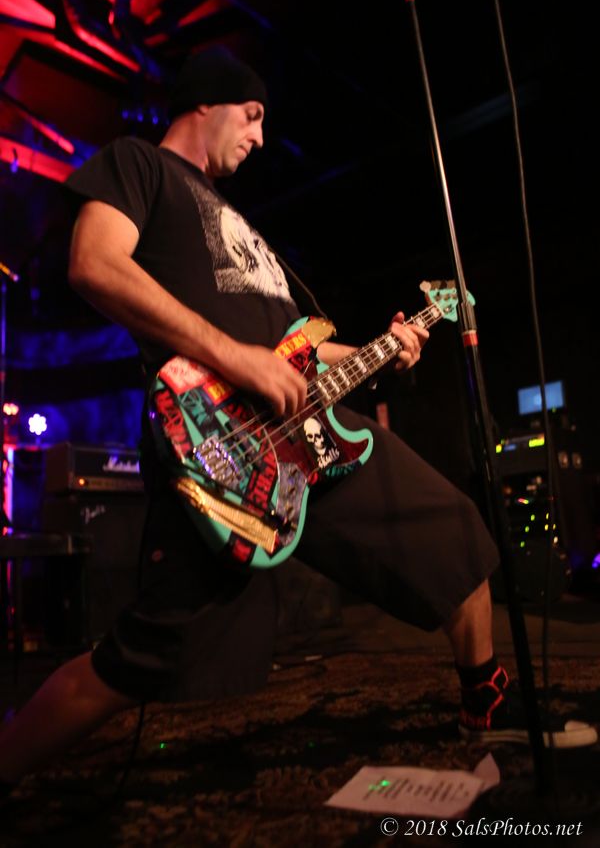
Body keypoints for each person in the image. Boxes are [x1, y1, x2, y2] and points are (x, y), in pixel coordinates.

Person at [0, 47, 596, 798]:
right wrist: (236, 359)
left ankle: (487, 702)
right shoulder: (137, 165)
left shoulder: (245, 228)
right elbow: (95, 264)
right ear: (205, 102)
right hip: (220, 445)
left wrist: (388, 346)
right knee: (142, 656)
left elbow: (298, 351)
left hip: (315, 437)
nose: (259, 137)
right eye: (251, 116)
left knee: (454, 529)